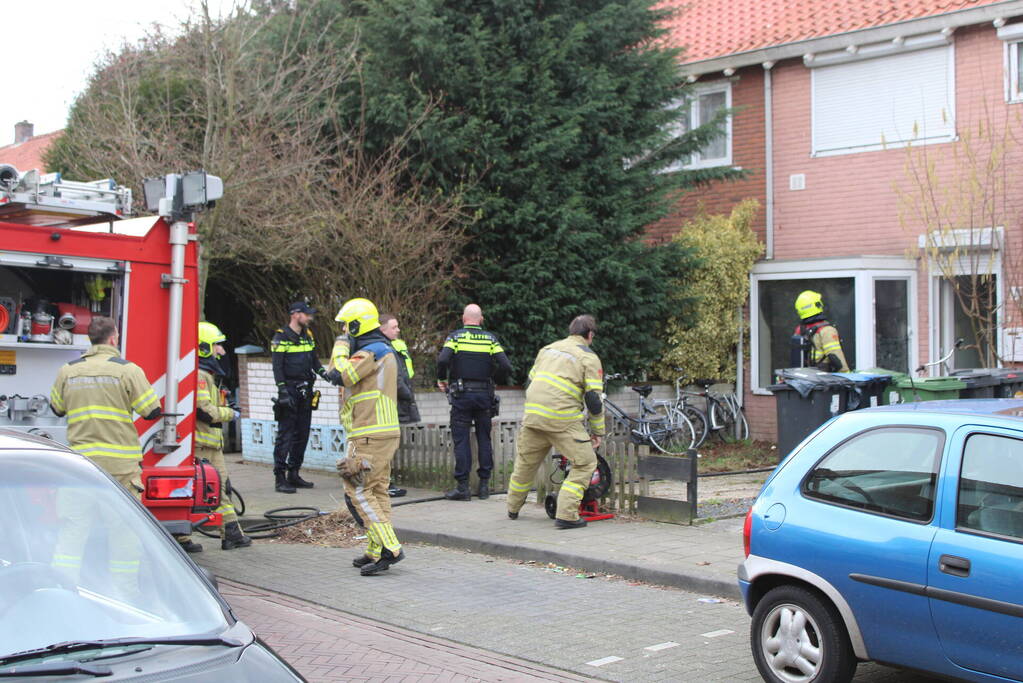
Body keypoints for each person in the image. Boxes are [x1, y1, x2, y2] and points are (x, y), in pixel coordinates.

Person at [49, 316, 164, 586]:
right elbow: (152, 410)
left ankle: (61, 590)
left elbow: (57, 408)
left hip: (80, 465)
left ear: (90, 338)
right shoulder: (127, 370)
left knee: (71, 532)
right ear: (113, 338)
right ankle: (125, 593)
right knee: (123, 533)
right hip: (120, 466)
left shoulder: (68, 370)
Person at [327, 298, 405, 576]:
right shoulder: (382, 349)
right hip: (381, 430)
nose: (346, 329)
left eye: (348, 325)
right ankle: (374, 550)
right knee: (378, 490)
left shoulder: (371, 350)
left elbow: (341, 374)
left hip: (370, 432)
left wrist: (340, 344)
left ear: (359, 324)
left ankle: (390, 548)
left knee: (358, 490)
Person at [506, 315, 604, 529]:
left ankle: (512, 508)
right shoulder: (589, 357)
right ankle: (567, 515)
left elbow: (531, 382)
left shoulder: (547, 349)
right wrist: (598, 431)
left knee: (525, 464)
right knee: (586, 462)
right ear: (589, 334)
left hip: (533, 416)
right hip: (562, 419)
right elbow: (594, 400)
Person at [435, 304, 512, 501]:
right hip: (484, 396)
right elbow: (505, 365)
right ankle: (484, 486)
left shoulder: (455, 337)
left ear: (463, 319)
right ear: (481, 319)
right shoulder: (490, 339)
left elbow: (443, 360)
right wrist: (492, 379)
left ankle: (463, 488)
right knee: (484, 438)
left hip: (461, 396)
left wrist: (442, 379)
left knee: (461, 440)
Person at [196, 321, 251, 551]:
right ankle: (231, 534)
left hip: (209, 444)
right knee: (217, 489)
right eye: (218, 345)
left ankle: (230, 533)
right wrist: (230, 413)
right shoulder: (200, 376)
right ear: (204, 348)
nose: (222, 351)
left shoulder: (207, 375)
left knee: (216, 488)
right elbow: (204, 410)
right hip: (203, 445)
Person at [270, 301, 329, 493]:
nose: (309, 318)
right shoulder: (281, 337)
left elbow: (313, 360)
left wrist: (325, 374)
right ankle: (280, 477)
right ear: (296, 315)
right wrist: (282, 391)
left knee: (302, 434)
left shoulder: (307, 336)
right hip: (289, 391)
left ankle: (294, 474)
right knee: (285, 435)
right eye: (306, 314)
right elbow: (277, 367)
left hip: (306, 391)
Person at [380, 313, 418, 497]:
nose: (398, 330)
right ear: (382, 329)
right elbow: (395, 378)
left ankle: (386, 483)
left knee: (390, 446)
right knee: (385, 447)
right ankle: (384, 484)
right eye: (394, 327)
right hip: (390, 403)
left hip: (396, 401)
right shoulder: (382, 349)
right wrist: (407, 394)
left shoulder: (394, 346)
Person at [792, 290, 850, 372]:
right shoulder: (827, 330)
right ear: (816, 305)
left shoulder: (799, 330)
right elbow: (836, 358)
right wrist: (847, 377)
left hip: (804, 378)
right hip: (822, 378)